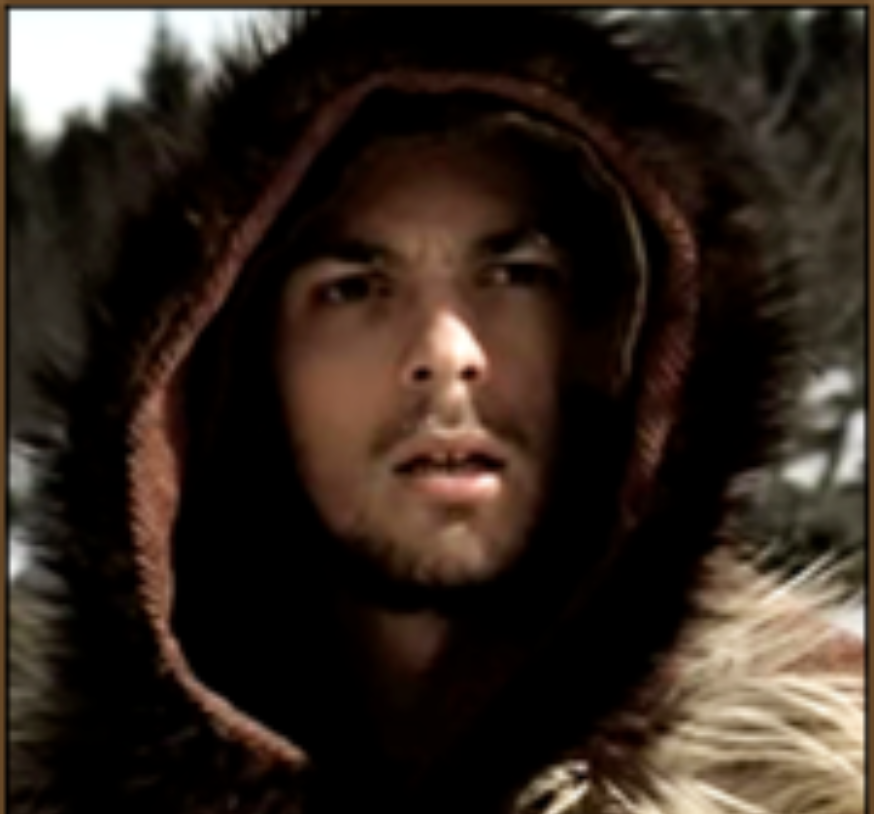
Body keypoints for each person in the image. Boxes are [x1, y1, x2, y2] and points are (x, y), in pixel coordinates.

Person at [10, 9, 863, 814]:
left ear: (616, 342)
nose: (446, 350)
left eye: (516, 276)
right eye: (354, 289)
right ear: (242, 363)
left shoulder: (820, 775)